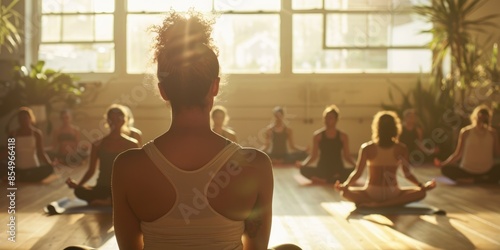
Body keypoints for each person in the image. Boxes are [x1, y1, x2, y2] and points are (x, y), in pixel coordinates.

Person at [111, 11, 277, 250]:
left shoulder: (127, 166)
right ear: (215, 86)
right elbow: (256, 247)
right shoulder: (257, 165)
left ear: (162, 91)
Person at [335, 111, 436, 208]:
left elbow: (358, 172)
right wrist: (422, 186)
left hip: (372, 193)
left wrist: (345, 185)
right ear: (395, 128)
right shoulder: (401, 148)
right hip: (393, 193)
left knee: (345, 193)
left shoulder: (367, 148)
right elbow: (407, 173)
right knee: (421, 193)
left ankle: (374, 203)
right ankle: (387, 204)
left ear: (377, 128)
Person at [65, 105, 138, 206]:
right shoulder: (97, 144)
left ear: (124, 121)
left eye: (118, 119)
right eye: (112, 119)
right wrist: (78, 185)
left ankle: (110, 200)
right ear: (107, 121)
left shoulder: (132, 144)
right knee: (79, 191)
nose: (115, 122)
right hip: (102, 187)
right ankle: (111, 201)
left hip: (121, 188)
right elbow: (91, 170)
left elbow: (136, 170)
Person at [435, 105, 500, 184]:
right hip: (466, 170)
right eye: (480, 116)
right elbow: (458, 154)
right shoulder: (465, 132)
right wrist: (443, 164)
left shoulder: (493, 133)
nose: (481, 119)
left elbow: (497, 152)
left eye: (484, 117)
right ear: (475, 117)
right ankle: (482, 180)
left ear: (488, 118)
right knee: (445, 169)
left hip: (486, 170)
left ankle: (473, 180)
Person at [296, 105, 355, 183]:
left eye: (330, 118)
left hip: (338, 168)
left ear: (336, 120)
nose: (327, 120)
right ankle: (332, 179)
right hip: (322, 169)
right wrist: (303, 164)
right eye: (326, 118)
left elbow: (347, 156)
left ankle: (326, 180)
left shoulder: (343, 136)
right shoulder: (318, 136)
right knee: (303, 170)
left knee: (354, 171)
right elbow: (314, 156)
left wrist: (357, 165)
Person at [8, 107, 56, 182]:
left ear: (30, 118)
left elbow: (41, 152)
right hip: (18, 168)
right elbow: (9, 151)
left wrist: (50, 163)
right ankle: (21, 177)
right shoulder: (13, 134)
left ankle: (21, 178)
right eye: (20, 119)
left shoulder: (37, 133)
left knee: (49, 169)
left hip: (33, 168)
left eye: (25, 118)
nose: (23, 121)